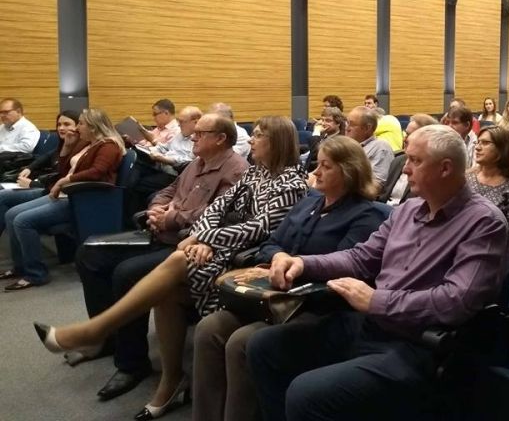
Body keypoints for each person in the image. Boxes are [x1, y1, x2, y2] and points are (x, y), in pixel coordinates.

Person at [34, 116, 308, 419]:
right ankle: (171, 378)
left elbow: (260, 228)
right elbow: (216, 208)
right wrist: (200, 235)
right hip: (221, 248)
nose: (251, 140)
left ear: (277, 142)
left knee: (173, 261)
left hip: (251, 260)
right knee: (164, 292)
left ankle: (95, 330)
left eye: (258, 135)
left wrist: (204, 238)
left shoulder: (291, 183)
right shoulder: (256, 171)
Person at [246, 125, 509, 420]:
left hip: (418, 345)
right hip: (370, 326)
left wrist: (376, 301)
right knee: (263, 347)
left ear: (445, 168)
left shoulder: (484, 223)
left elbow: (456, 301)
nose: (405, 169)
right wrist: (304, 264)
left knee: (305, 392)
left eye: (415, 161)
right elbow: (361, 258)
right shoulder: (408, 210)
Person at [192, 135, 386, 421]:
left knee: (241, 341)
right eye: (317, 164)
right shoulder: (310, 202)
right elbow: (271, 243)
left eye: (326, 166)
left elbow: (346, 269)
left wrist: (293, 266)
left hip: (315, 305)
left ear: (349, 171)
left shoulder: (366, 215)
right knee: (209, 328)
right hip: (273, 295)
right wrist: (279, 257)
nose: (316, 172)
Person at [74, 113, 249, 400]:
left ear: (221, 138)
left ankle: (131, 364)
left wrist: (171, 218)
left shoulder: (236, 170)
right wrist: (157, 209)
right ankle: (107, 338)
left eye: (201, 133)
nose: (192, 137)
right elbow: (167, 190)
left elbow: (218, 214)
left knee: (127, 274)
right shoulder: (196, 163)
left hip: (186, 245)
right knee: (89, 255)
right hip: (159, 234)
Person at [3, 108, 124, 290]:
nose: (77, 128)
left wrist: (64, 181)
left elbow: (97, 172)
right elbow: (64, 170)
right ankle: (20, 267)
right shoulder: (90, 144)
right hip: (67, 194)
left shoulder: (108, 146)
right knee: (11, 214)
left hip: (82, 199)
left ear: (93, 127)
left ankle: (36, 274)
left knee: (22, 221)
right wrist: (67, 148)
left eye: (81, 123)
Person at [0, 110, 86, 239]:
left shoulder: (81, 149)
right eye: (59, 124)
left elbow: (63, 179)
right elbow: (47, 156)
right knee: (2, 195)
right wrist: (29, 168)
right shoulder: (64, 143)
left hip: (55, 192)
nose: (61, 128)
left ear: (78, 126)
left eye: (67, 124)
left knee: (15, 214)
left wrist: (32, 184)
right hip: (49, 187)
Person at [467, 125, 509, 230]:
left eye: (485, 143)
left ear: (502, 149)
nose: (477, 147)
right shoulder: (466, 178)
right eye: (477, 142)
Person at [378, 114, 438, 206]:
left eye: (411, 135)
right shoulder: (397, 160)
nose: (405, 139)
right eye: (406, 134)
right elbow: (382, 195)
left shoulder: (430, 167)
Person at [344, 106, 393, 187]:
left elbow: (377, 184)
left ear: (367, 128)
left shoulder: (380, 147)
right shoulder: (346, 146)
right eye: (347, 123)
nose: (347, 128)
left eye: (351, 124)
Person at [305, 106, 346, 172]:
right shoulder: (323, 135)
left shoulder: (340, 141)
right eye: (322, 120)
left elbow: (316, 156)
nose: (323, 123)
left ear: (338, 123)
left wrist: (316, 132)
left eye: (328, 121)